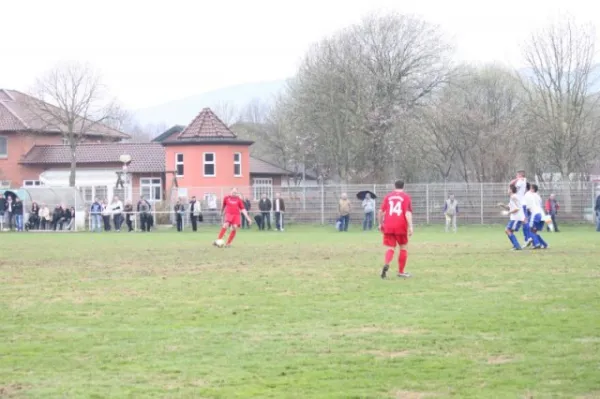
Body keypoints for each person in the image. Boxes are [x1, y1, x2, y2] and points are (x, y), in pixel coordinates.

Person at [378, 180, 414, 279]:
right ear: (403, 186)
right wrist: (411, 226)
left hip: (388, 226)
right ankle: (401, 272)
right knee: (403, 247)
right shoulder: (406, 197)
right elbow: (407, 213)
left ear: (394, 186)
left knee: (390, 248)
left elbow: (381, 211)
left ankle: (386, 263)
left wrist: (380, 224)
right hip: (400, 225)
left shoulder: (388, 196)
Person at [510, 170, 531, 247]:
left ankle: (527, 238)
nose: (516, 177)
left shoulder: (520, 181)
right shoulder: (523, 180)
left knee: (519, 222)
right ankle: (527, 238)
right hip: (523, 203)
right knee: (524, 220)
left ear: (520, 176)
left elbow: (513, 186)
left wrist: (514, 181)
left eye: (517, 176)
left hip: (520, 204)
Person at [501, 184, 524, 250]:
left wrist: (508, 213)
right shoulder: (513, 197)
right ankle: (516, 245)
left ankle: (517, 246)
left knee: (507, 230)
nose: (507, 190)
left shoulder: (513, 197)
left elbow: (517, 208)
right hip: (516, 217)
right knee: (509, 231)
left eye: (508, 189)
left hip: (516, 217)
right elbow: (509, 207)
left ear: (511, 190)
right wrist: (503, 206)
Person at [525, 184, 549, 249]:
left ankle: (537, 244)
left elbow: (527, 207)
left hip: (535, 214)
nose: (528, 189)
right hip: (542, 214)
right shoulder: (538, 196)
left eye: (530, 188)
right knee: (534, 231)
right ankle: (544, 244)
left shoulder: (528, 194)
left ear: (532, 189)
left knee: (530, 229)